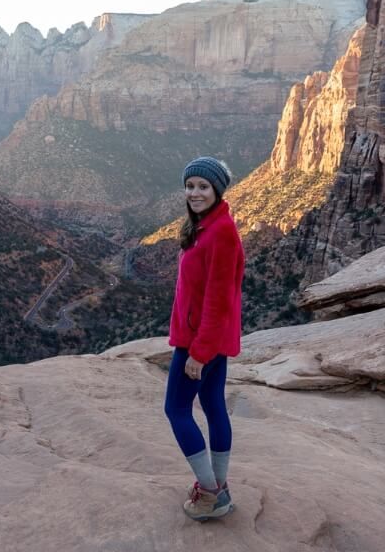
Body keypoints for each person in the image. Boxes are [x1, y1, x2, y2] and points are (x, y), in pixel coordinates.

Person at [164, 156, 245, 522]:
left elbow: (219, 300)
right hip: (207, 339)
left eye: (202, 187)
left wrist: (198, 352)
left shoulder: (221, 232)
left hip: (201, 341)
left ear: (217, 190)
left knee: (177, 410)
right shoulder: (204, 226)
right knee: (212, 405)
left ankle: (211, 493)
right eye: (190, 185)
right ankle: (220, 487)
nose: (194, 192)